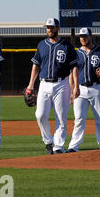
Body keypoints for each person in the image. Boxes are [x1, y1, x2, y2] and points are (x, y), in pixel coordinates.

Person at [26, 18, 79, 154]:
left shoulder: (67, 45)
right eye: (47, 27)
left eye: (52, 27)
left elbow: (74, 68)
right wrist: (31, 85)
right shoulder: (41, 45)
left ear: (58, 28)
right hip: (44, 84)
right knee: (40, 115)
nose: (49, 29)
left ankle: (58, 146)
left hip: (62, 83)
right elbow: (35, 65)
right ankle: (48, 141)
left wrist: (75, 87)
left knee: (61, 118)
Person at [66, 28, 100, 152]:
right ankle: (73, 146)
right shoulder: (75, 53)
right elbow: (70, 74)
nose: (83, 38)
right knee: (78, 119)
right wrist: (72, 90)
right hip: (80, 89)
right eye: (81, 36)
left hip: (97, 88)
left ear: (91, 36)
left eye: (85, 36)